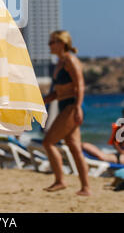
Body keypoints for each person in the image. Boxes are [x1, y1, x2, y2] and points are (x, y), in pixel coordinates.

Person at [42, 30, 91, 196]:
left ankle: (60, 181)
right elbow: (57, 92)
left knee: (48, 142)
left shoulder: (70, 60)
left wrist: (78, 107)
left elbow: (80, 85)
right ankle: (86, 188)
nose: (49, 45)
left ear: (61, 43)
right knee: (74, 147)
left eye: (51, 42)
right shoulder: (59, 63)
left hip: (71, 107)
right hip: (64, 105)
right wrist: (42, 101)